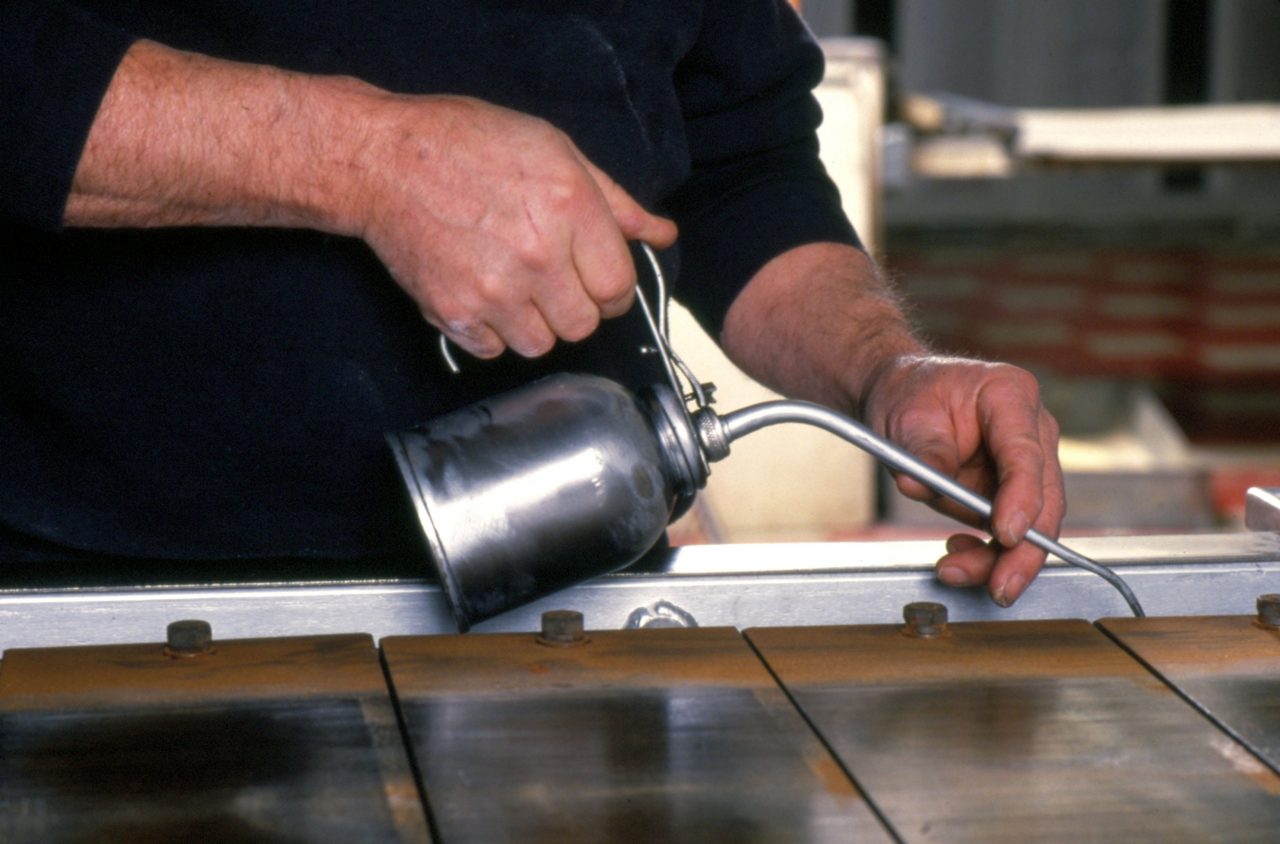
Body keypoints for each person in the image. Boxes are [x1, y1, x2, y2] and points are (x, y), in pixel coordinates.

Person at [2, 0, 1063, 606]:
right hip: (94, 598)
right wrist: (362, 160)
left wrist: (882, 368)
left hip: (570, 594)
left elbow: (737, 154)